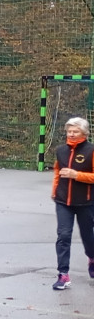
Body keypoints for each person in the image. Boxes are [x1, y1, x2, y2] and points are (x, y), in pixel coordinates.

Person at [50, 117, 94, 291]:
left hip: (86, 202)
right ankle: (63, 274)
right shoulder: (61, 151)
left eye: (75, 131)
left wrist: (76, 175)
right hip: (63, 201)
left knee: (87, 236)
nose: (72, 134)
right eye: (69, 131)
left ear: (84, 133)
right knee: (63, 235)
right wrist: (55, 190)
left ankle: (92, 257)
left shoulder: (91, 151)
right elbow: (57, 172)